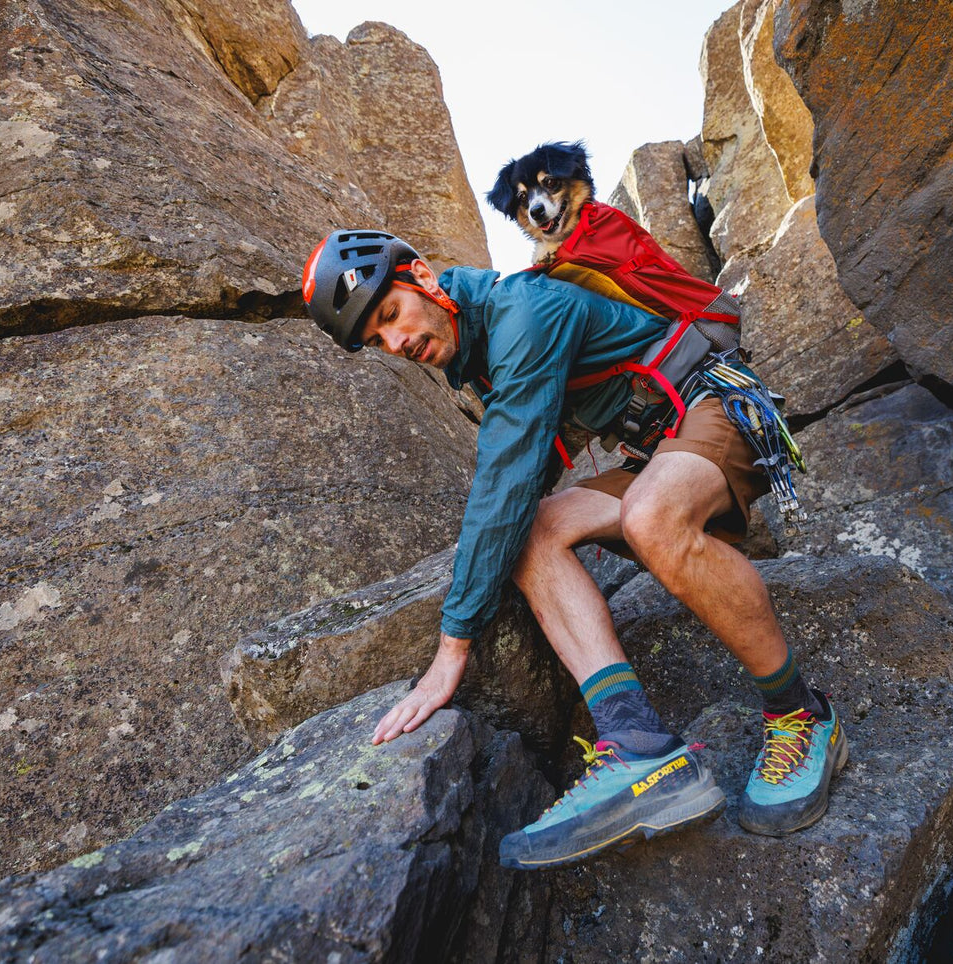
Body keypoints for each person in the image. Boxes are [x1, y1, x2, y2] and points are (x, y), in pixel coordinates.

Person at [302, 229, 848, 868]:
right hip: (656, 449)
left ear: (422, 277)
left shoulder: (524, 313)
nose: (397, 343)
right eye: (378, 340)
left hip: (718, 402)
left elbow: (504, 475)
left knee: (648, 518)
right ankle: (641, 746)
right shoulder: (476, 353)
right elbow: (521, 489)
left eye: (390, 315)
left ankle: (801, 716)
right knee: (528, 533)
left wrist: (454, 646)